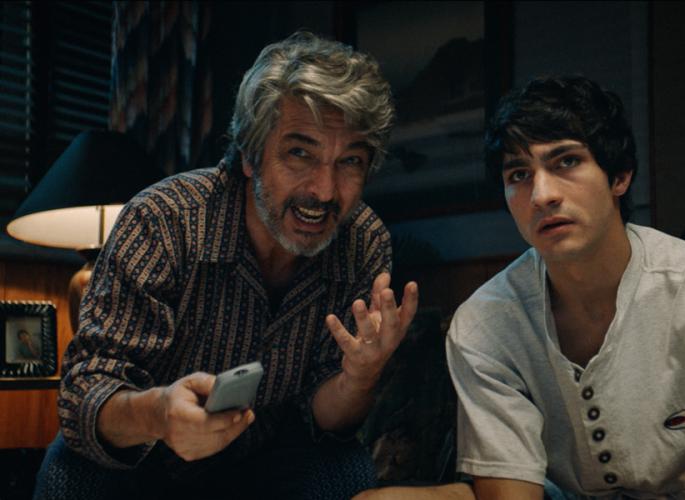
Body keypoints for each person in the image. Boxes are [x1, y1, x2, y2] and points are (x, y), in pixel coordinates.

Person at [358, 76, 685, 499]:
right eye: (519, 175)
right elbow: (510, 494)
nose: (542, 195)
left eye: (566, 162)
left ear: (619, 177)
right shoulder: (484, 323)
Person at [35, 32, 418, 500]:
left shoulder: (364, 242)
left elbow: (324, 419)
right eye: (300, 153)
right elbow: (85, 393)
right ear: (250, 156)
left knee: (345, 471)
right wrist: (160, 413)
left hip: (266, 459)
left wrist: (359, 378)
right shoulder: (164, 221)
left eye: (349, 161)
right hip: (143, 454)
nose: (324, 190)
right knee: (72, 475)